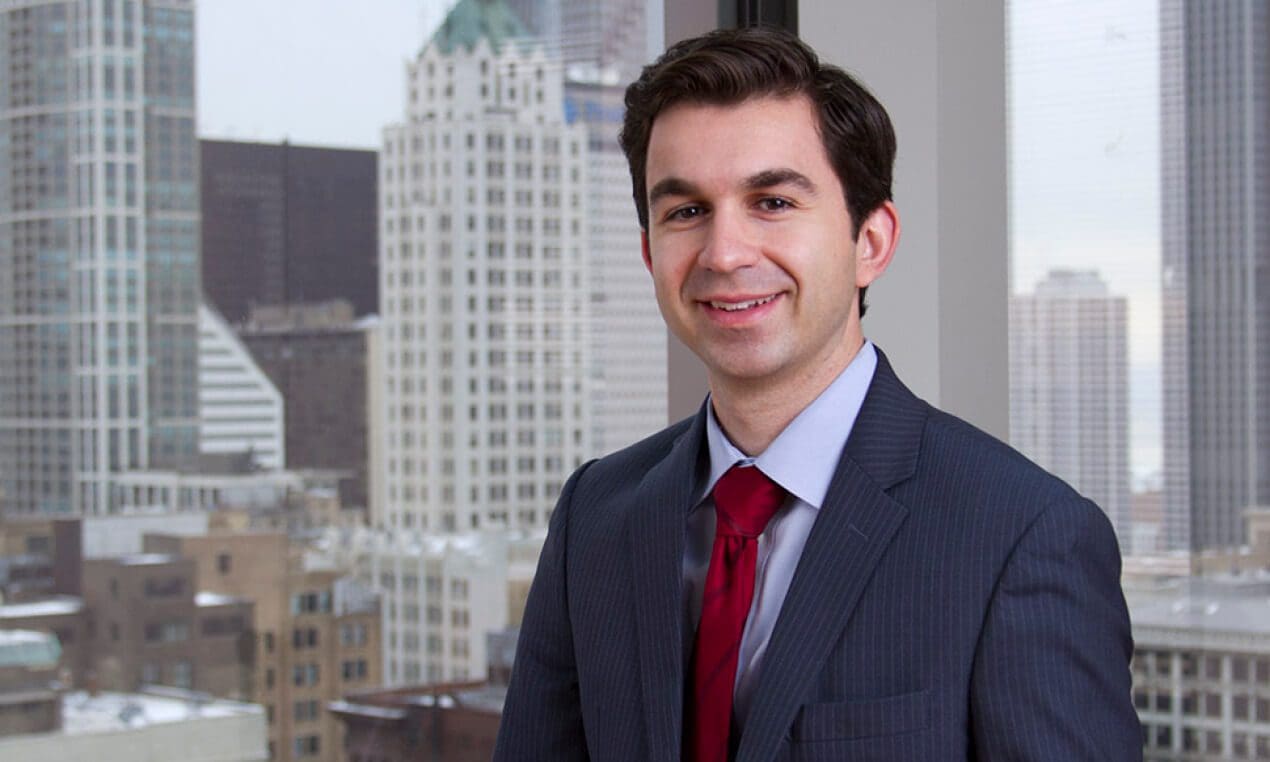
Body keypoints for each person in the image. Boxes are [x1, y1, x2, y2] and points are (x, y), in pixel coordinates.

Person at [493, 26, 1140, 762]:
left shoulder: (1021, 538)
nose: (724, 253)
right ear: (649, 254)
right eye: (685, 211)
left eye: (771, 202)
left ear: (871, 242)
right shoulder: (595, 519)